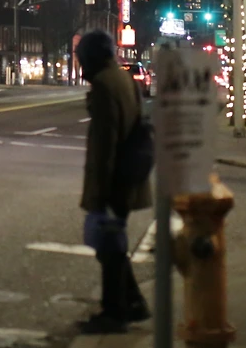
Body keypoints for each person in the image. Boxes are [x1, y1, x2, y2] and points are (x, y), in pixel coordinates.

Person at [77, 30, 153, 335]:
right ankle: (133, 302)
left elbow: (105, 144)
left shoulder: (105, 86)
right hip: (128, 175)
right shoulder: (123, 79)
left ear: (92, 57)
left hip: (115, 181)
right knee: (112, 245)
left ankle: (115, 312)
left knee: (108, 246)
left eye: (82, 58)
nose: (81, 65)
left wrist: (103, 192)